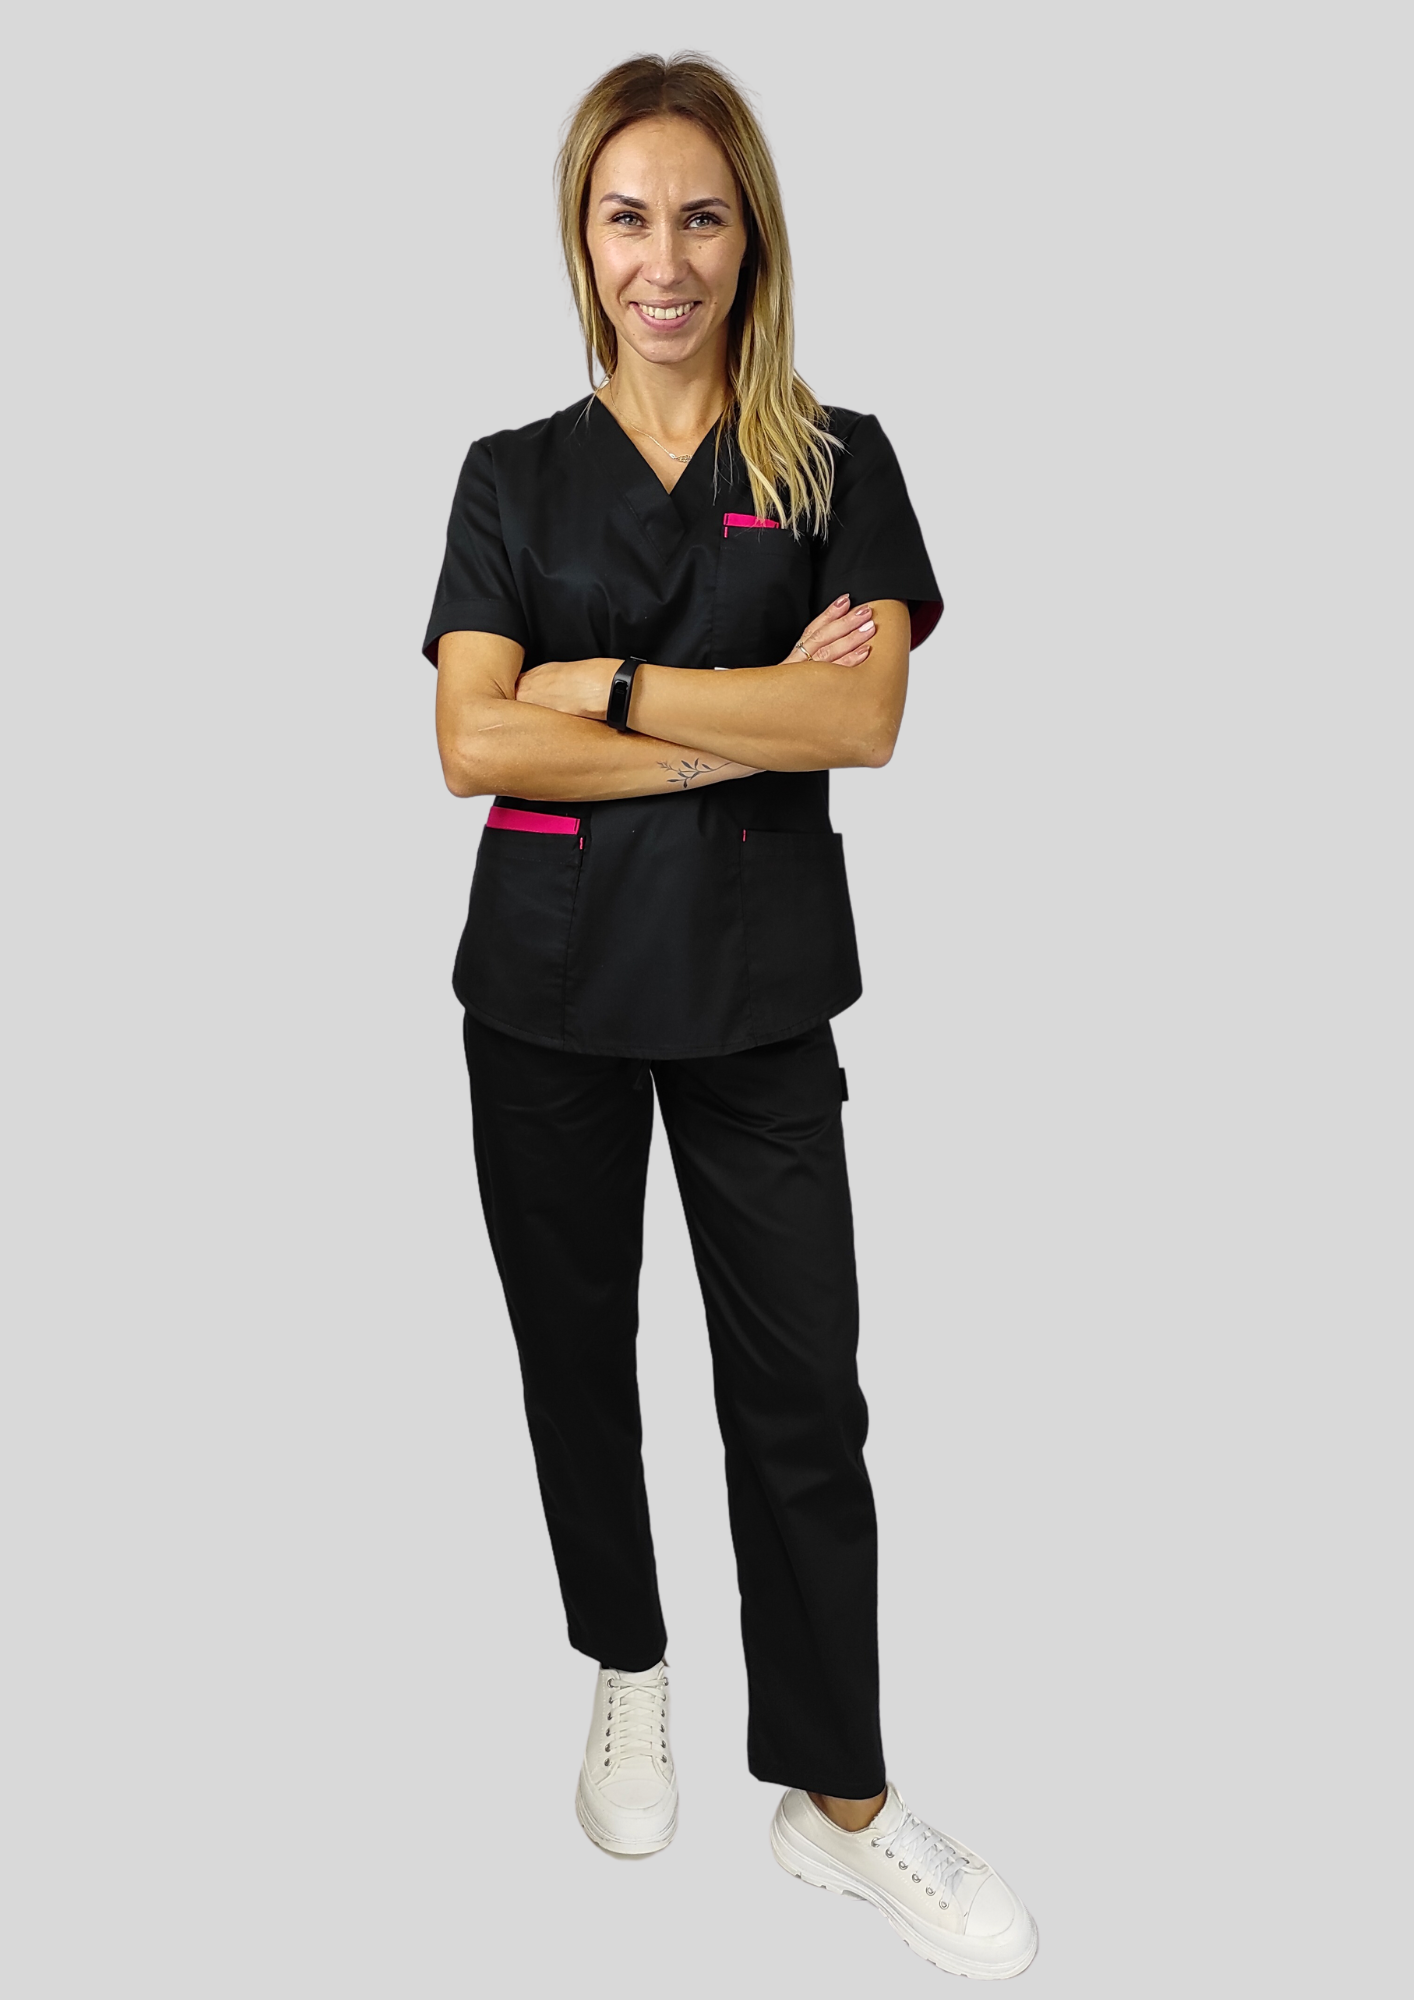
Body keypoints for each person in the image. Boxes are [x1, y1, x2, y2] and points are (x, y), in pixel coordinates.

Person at [423, 52, 1037, 1980]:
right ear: (581, 241)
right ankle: (626, 1666)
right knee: (574, 1358)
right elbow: (468, 743)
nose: (664, 259)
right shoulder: (509, 474)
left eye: (700, 216)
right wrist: (735, 720)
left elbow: (864, 719)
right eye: (628, 218)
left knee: (801, 1394)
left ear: (749, 235)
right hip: (541, 993)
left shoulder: (835, 460)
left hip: (759, 992)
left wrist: (602, 690)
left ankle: (837, 1800)